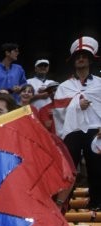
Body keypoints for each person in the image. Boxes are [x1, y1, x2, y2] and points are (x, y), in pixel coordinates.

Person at [53, 36, 101, 209]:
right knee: (69, 167)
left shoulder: (100, 84)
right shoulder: (64, 86)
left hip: (96, 130)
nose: (81, 59)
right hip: (72, 130)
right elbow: (58, 110)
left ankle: (97, 204)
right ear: (73, 61)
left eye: (84, 56)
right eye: (78, 56)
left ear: (90, 60)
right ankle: (63, 204)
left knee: (97, 167)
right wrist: (76, 106)